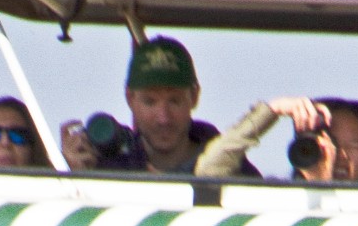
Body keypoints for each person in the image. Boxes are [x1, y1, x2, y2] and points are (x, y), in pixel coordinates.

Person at [59, 35, 253, 177]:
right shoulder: (110, 169)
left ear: (194, 97)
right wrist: (77, 177)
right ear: (130, 99)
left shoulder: (233, 168)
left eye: (174, 101)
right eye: (150, 102)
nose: (163, 118)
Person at [197, 94, 358, 182]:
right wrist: (273, 110)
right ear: (305, 149)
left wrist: (324, 184)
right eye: (329, 142)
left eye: (353, 147)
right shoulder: (281, 203)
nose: (338, 154)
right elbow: (209, 172)